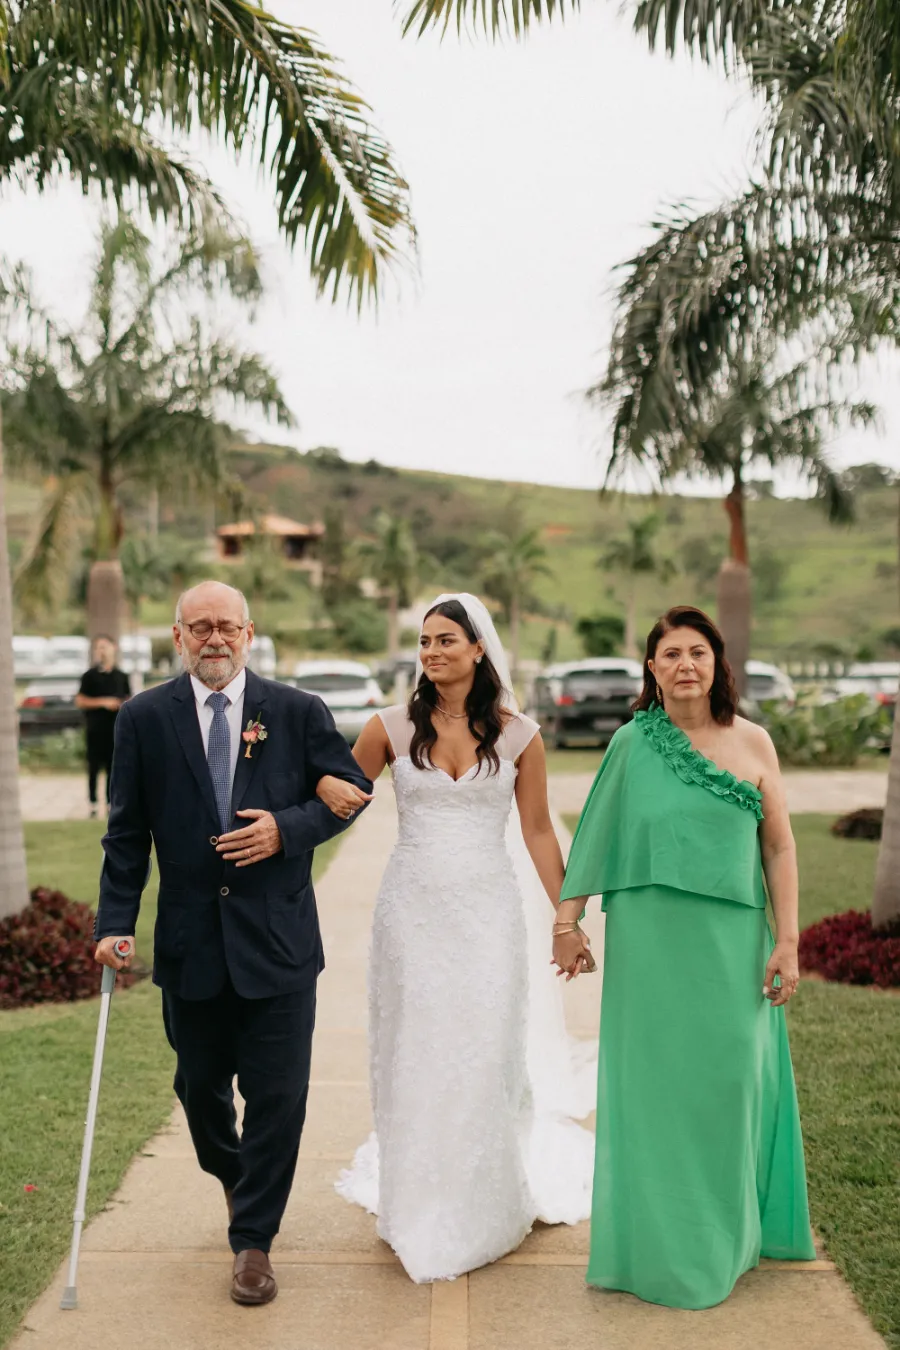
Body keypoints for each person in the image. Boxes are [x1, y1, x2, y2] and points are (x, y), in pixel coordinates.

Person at [93, 580, 373, 1307]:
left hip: (278, 942)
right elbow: (126, 834)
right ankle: (236, 1178)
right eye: (200, 627)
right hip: (191, 943)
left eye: (227, 626)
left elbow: (350, 790)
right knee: (199, 1088)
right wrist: (114, 923)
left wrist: (288, 828)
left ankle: (253, 1241)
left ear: (249, 634)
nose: (214, 638)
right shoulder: (143, 718)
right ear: (178, 637)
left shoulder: (298, 711)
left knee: (279, 1097)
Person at [315, 593, 595, 1284]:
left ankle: (481, 1202)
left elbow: (538, 831)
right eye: (425, 641)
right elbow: (339, 798)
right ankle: (416, 1199)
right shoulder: (387, 727)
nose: (433, 651)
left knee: (484, 1053)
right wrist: (319, 785)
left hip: (488, 916)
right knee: (415, 1051)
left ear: (478, 649)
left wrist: (566, 921)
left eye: (446, 640)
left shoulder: (521, 735)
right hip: (410, 915)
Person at [554, 605, 815, 1310]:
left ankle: (729, 1237)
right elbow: (595, 834)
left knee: (728, 1087)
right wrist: (567, 922)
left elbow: (779, 846)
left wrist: (788, 941)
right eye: (670, 654)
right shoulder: (631, 744)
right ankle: (663, 1252)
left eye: (697, 652)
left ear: (717, 663)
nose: (685, 665)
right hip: (650, 946)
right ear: (652, 669)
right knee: (655, 1095)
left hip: (731, 946)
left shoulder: (755, 742)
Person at [76, 635, 131, 818]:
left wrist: (121, 705)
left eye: (105, 647)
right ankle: (92, 803)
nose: (102, 651)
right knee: (93, 767)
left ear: (113, 648)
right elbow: (81, 700)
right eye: (98, 647)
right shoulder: (89, 676)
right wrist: (103, 702)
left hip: (115, 730)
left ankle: (110, 803)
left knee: (112, 768)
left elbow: (128, 698)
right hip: (95, 730)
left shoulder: (121, 676)